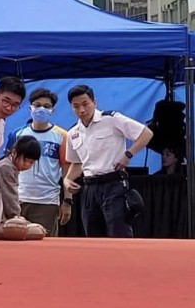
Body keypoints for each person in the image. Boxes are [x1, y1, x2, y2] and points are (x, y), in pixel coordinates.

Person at [62, 85, 153, 238]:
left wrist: (128, 154)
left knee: (119, 232)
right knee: (93, 235)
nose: (82, 110)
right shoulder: (73, 133)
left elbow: (146, 133)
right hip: (90, 187)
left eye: (85, 104)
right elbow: (77, 162)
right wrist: (67, 180)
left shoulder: (111, 119)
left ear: (94, 102)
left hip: (113, 183)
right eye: (76, 106)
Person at [6, 88, 70, 235]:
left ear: (52, 110)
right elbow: (7, 166)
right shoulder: (17, 134)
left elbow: (67, 170)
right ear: (30, 108)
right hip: (18, 200)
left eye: (47, 106)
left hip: (47, 203)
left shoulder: (62, 136)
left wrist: (67, 201)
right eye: (37, 105)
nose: (41, 109)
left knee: (45, 247)